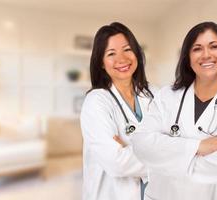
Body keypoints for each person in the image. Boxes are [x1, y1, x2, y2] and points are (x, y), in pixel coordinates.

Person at [130, 21, 217, 200]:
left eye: (214, 46)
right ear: (188, 57)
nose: (206, 55)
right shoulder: (166, 97)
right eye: (197, 49)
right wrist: (196, 146)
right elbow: (141, 144)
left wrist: (167, 157)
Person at [80, 22, 155, 200]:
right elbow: (117, 163)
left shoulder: (154, 94)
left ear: (137, 53)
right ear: (101, 63)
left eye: (127, 49)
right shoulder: (96, 102)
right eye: (111, 53)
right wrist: (167, 155)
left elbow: (177, 139)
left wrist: (130, 149)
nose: (122, 59)